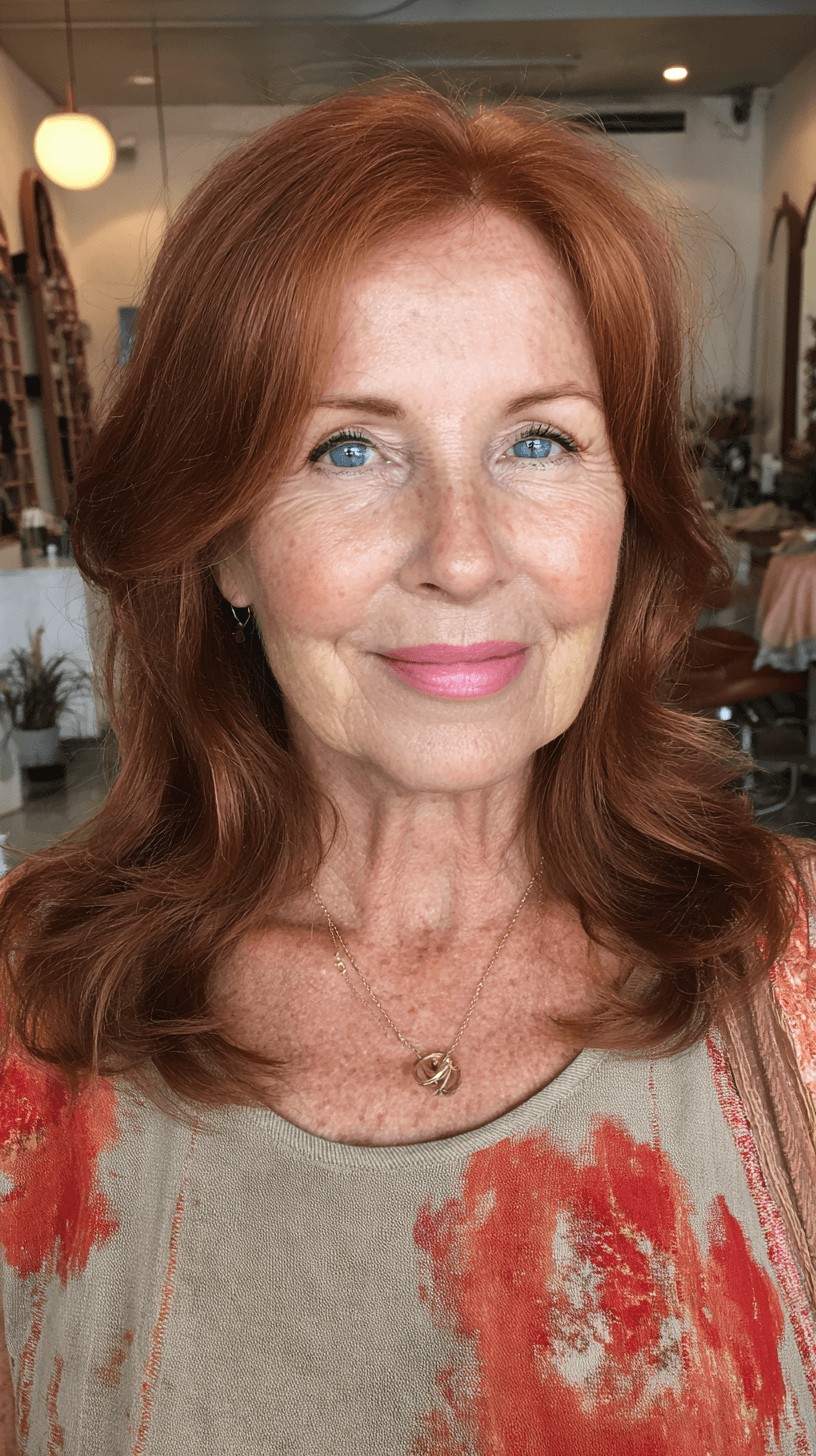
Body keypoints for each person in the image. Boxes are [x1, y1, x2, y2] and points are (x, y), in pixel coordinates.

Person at [0, 81, 814, 1455]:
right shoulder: (30, 1010)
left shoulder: (794, 973)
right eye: (349, 448)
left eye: (539, 440)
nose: (463, 553)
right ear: (225, 541)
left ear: (629, 511)